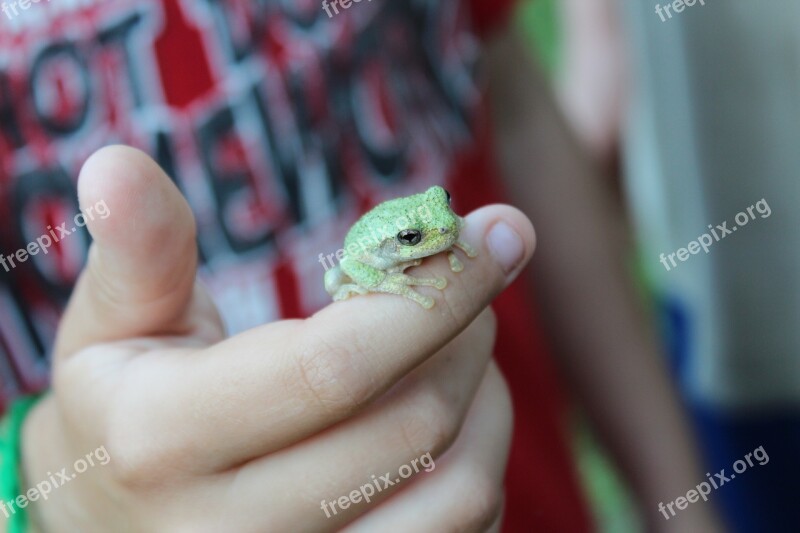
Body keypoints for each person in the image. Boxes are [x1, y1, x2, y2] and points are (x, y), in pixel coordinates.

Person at [0, 0, 715, 530]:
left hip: (518, 480)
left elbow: (510, 98)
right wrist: (54, 486)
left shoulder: (435, 216)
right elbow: (350, 272)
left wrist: (681, 501)